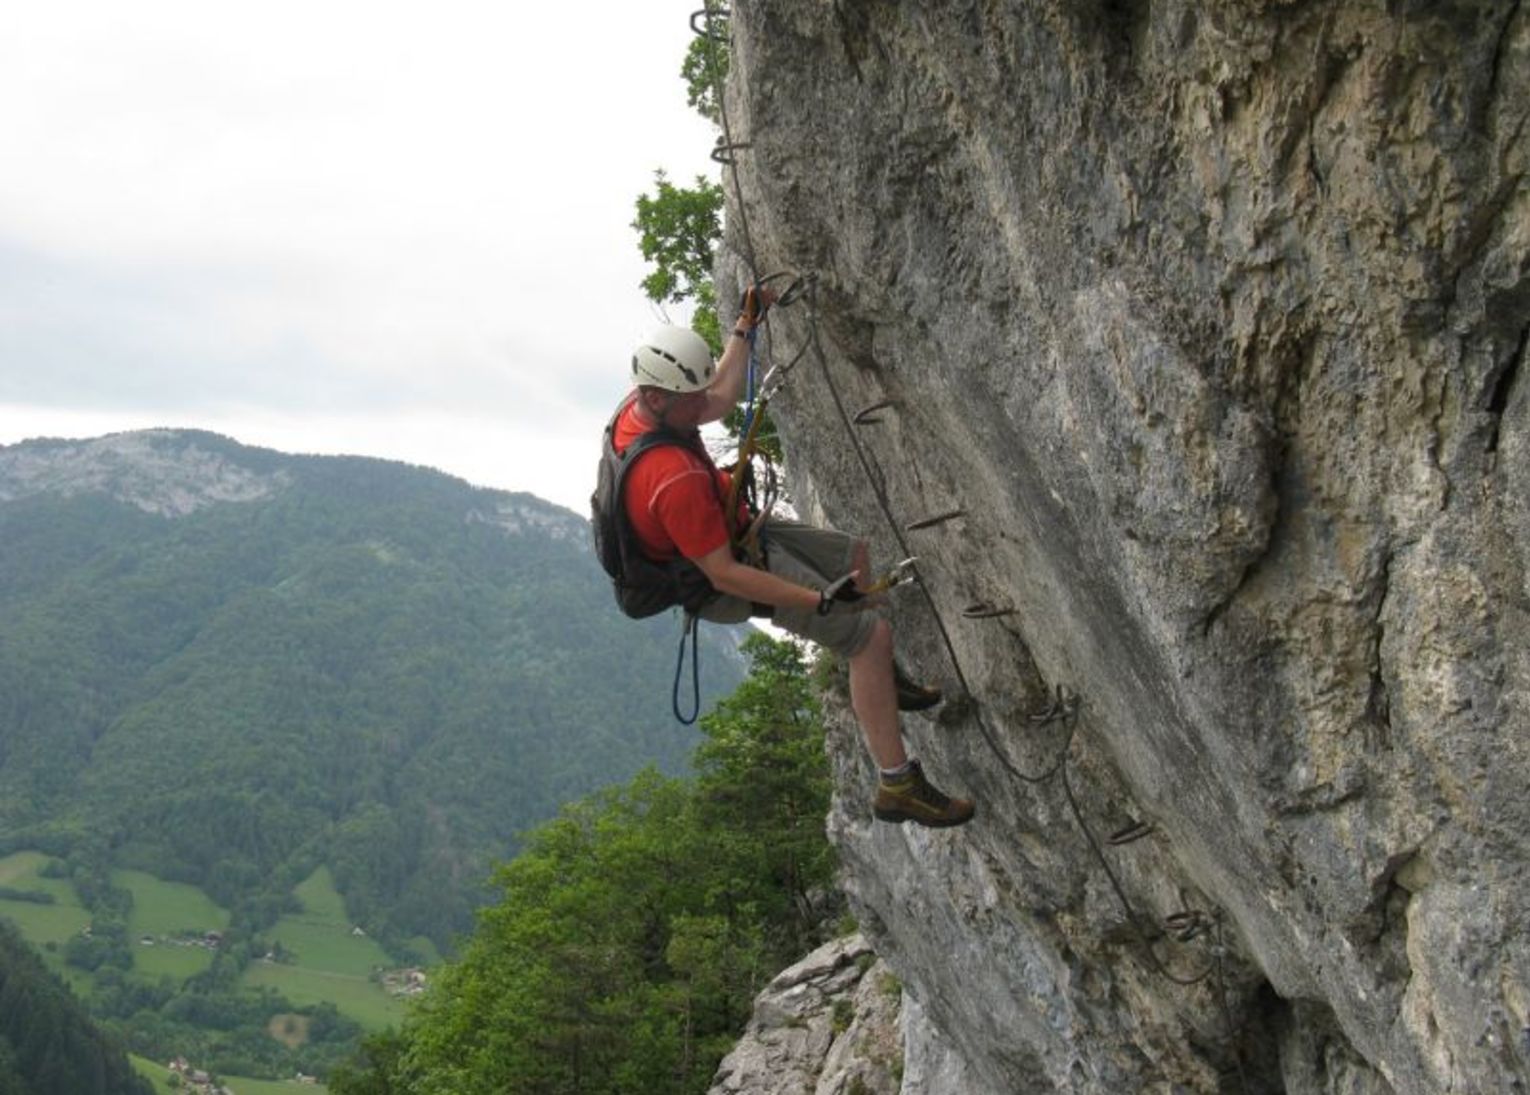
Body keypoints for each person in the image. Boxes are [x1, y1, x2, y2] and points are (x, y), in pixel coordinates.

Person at [609, 301, 975, 829]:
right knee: (866, 635)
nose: (703, 407)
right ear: (654, 398)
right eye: (690, 403)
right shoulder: (669, 477)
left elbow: (719, 396)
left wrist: (743, 328)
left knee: (852, 554)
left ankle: (882, 682)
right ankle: (898, 784)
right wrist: (820, 600)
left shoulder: (649, 405)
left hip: (731, 525)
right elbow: (725, 575)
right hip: (721, 574)